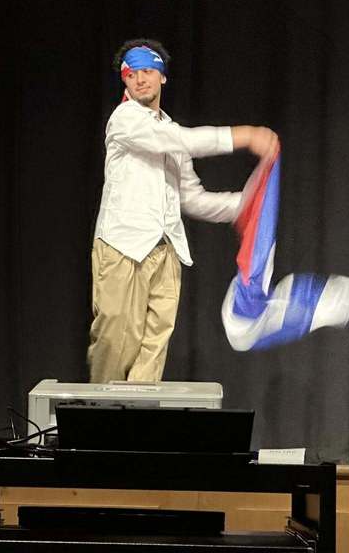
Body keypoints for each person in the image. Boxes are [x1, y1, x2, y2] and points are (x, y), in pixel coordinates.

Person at [89, 39, 279, 383]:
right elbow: (182, 141)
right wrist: (244, 135)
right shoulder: (125, 119)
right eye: (132, 74)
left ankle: (134, 425)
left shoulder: (169, 128)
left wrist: (246, 204)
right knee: (116, 339)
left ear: (162, 77)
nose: (140, 80)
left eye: (148, 71)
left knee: (154, 345)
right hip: (122, 246)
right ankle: (97, 421)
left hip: (166, 250)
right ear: (124, 80)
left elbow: (191, 198)